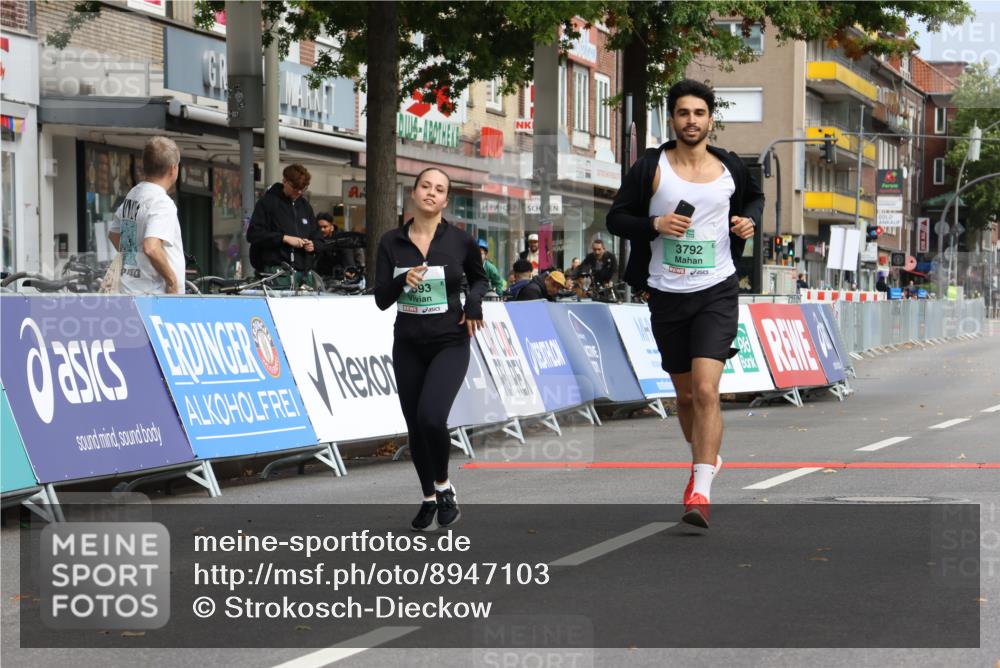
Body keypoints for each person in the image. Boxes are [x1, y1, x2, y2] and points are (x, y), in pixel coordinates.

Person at [606, 79, 763, 529]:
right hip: (666, 292)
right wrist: (654, 223)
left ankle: (700, 486)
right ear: (671, 119)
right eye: (682, 113)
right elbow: (616, 218)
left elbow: (753, 198)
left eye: (699, 113)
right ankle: (707, 459)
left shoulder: (730, 166)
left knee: (709, 389)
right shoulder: (651, 167)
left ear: (711, 119)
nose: (691, 121)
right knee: (687, 396)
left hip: (716, 289)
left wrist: (747, 221)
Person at [375, 167, 488, 531]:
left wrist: (474, 304)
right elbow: (380, 299)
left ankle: (444, 486)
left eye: (439, 190)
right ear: (414, 192)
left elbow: (480, 279)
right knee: (414, 427)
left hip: (450, 341)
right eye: (426, 186)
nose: (431, 193)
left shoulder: (460, 241)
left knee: (431, 417)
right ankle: (428, 497)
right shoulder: (391, 242)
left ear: (445, 200)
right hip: (408, 343)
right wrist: (399, 280)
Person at [108, 136, 185, 294]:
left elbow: (114, 234)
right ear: (173, 169)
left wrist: (134, 262)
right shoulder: (162, 203)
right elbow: (151, 247)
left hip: (130, 289)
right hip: (154, 296)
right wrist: (172, 281)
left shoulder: (134, 195)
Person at [246, 164, 320, 275]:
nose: (299, 192)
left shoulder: (305, 206)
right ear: (285, 181)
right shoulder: (268, 203)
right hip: (275, 270)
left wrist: (313, 244)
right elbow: (254, 234)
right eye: (295, 188)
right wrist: (283, 238)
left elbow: (317, 235)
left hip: (303, 272)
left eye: (303, 189)